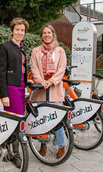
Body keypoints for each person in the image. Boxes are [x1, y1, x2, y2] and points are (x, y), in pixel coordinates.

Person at [29, 24, 67, 159]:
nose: (46, 35)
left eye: (49, 32)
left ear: (53, 34)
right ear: (41, 35)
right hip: (40, 88)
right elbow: (33, 67)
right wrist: (41, 81)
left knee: (57, 118)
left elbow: (62, 68)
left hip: (54, 87)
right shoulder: (35, 51)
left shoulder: (60, 51)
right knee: (41, 118)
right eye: (44, 33)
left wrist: (51, 81)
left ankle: (61, 144)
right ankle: (42, 143)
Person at [0, 17, 29, 168]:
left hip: (21, 86)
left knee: (16, 119)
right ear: (12, 30)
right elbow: (0, 72)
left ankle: (8, 151)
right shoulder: (5, 47)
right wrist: (4, 94)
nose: (20, 32)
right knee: (16, 121)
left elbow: (22, 69)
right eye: (17, 29)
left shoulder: (21, 48)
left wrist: (26, 86)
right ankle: (15, 153)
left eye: (22, 30)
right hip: (11, 88)